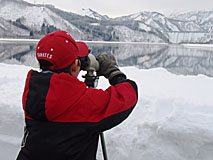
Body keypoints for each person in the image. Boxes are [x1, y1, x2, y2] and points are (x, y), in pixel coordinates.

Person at [17, 30, 138, 160]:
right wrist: (113, 72)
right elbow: (126, 95)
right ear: (75, 66)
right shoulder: (83, 102)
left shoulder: (33, 91)